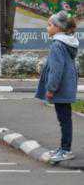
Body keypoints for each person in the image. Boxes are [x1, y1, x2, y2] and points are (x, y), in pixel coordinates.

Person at [35, 11, 79, 162]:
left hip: (60, 88)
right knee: (65, 119)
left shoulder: (57, 45)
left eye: (49, 25)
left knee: (64, 120)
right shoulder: (67, 42)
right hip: (67, 86)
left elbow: (56, 70)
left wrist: (50, 89)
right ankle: (63, 148)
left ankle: (66, 150)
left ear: (58, 28)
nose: (47, 28)